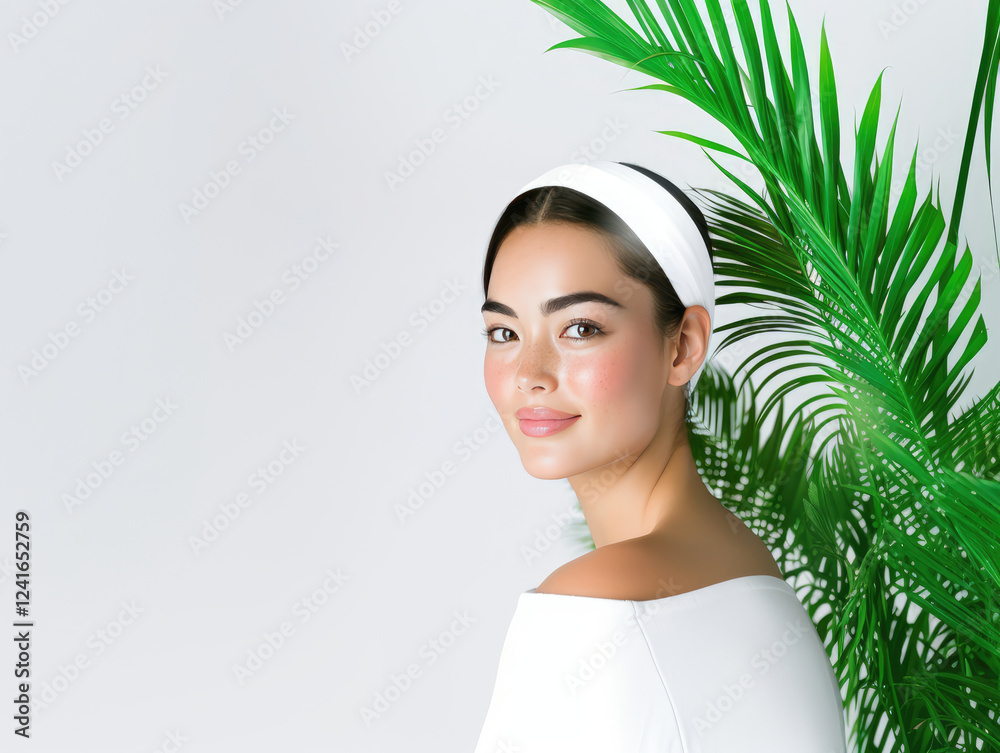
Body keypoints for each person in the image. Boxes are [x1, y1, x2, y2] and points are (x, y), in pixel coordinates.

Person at [472, 160, 848, 752]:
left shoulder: (595, 606)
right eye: (504, 333)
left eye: (581, 328)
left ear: (684, 346)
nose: (530, 376)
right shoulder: (750, 573)